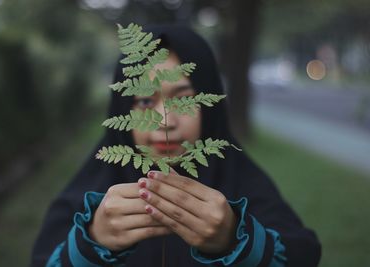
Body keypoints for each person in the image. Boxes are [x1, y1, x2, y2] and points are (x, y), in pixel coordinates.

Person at [31, 25, 321, 267]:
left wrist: (236, 239)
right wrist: (91, 241)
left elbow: (301, 255)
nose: (164, 121)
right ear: (121, 108)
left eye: (183, 99)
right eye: (145, 101)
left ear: (211, 107)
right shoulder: (87, 200)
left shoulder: (245, 184)